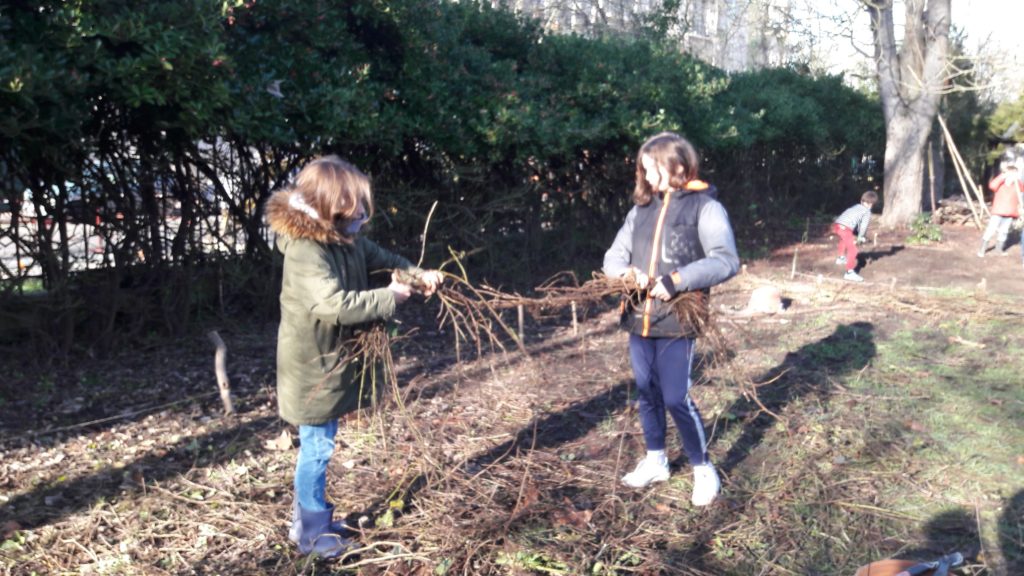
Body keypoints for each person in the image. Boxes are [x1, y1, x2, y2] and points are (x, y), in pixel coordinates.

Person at [265, 155, 442, 558]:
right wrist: (390, 298)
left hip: (329, 362)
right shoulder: (307, 250)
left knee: (319, 444)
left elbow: (386, 261)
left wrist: (416, 275)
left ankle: (307, 521)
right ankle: (311, 534)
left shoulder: (345, 237)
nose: (363, 213)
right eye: (355, 206)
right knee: (317, 447)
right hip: (312, 366)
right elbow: (333, 305)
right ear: (330, 206)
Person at [603, 132, 740, 506]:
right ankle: (656, 460)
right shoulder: (639, 211)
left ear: (678, 165)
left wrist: (677, 281)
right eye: (643, 169)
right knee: (647, 392)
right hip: (638, 319)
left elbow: (726, 260)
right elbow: (613, 258)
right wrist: (627, 275)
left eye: (653, 168)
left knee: (676, 396)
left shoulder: (705, 208)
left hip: (678, 320)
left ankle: (703, 468)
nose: (647, 177)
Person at [832, 190, 878, 282]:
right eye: (868, 203)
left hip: (837, 224)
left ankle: (841, 258)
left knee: (843, 240)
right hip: (845, 228)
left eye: (870, 204)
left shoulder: (856, 206)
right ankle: (849, 273)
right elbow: (863, 226)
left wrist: (857, 234)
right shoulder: (867, 212)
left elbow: (848, 216)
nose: (869, 206)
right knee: (853, 249)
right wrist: (861, 237)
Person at [978, 164, 1022, 258]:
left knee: (1004, 231)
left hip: (1010, 212)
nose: (1012, 176)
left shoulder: (1017, 185)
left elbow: (1022, 188)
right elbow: (992, 186)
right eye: (1011, 174)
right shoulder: (1000, 184)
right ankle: (982, 249)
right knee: (991, 229)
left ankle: (998, 249)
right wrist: (1003, 176)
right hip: (998, 211)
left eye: (1014, 174)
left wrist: (1017, 179)